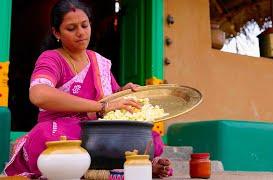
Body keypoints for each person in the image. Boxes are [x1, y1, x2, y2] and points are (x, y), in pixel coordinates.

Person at [3, 0, 171, 178]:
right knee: (48, 137)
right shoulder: (52, 59)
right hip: (63, 131)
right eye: (71, 28)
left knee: (147, 135)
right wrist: (101, 107)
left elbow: (110, 98)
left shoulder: (99, 62)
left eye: (85, 25)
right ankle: (126, 169)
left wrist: (123, 91)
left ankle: (119, 169)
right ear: (56, 32)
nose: (81, 33)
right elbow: (39, 95)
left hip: (98, 132)